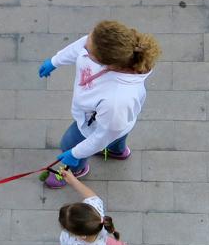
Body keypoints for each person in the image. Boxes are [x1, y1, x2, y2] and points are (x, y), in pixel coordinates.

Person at [39, 20, 161, 188]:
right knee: (117, 137)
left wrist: (75, 153)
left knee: (68, 144)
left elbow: (103, 135)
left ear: (104, 62)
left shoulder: (117, 101)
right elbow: (82, 44)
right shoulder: (109, 48)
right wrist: (55, 61)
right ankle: (117, 152)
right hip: (118, 124)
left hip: (96, 125)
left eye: (88, 50)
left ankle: (76, 170)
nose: (84, 46)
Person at [31, 168, 139, 245]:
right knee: (110, 243)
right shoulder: (96, 214)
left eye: (66, 228)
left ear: (80, 235)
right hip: (101, 241)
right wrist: (73, 180)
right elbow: (91, 196)